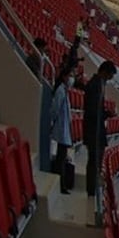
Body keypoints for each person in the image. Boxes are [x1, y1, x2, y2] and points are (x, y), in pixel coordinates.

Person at [82, 61, 117, 197]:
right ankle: (91, 190)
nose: (110, 79)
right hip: (93, 131)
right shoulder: (94, 85)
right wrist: (106, 114)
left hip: (96, 129)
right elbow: (93, 111)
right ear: (104, 72)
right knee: (94, 160)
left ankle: (93, 187)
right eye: (110, 76)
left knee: (96, 160)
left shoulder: (99, 85)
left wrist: (105, 113)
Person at [49, 65, 75, 194]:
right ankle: (61, 185)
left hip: (64, 130)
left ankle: (63, 184)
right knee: (61, 159)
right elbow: (54, 109)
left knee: (62, 157)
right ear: (64, 77)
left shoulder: (64, 90)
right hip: (61, 129)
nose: (72, 78)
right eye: (70, 75)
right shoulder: (60, 91)